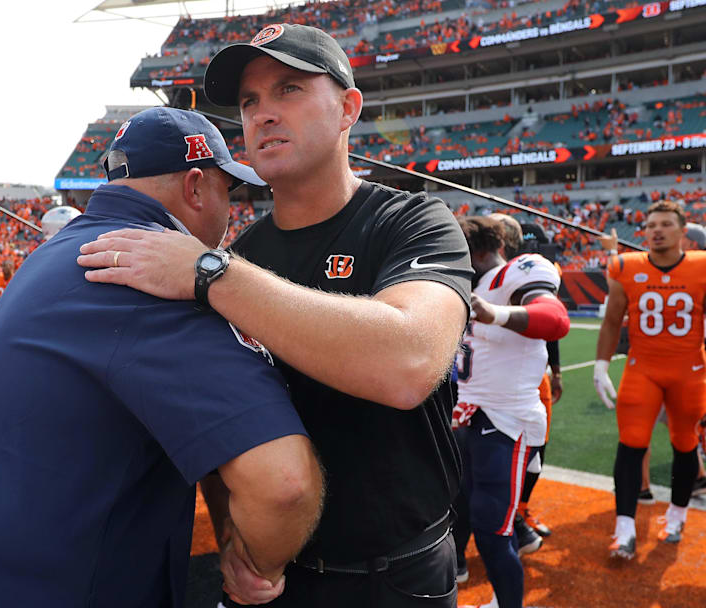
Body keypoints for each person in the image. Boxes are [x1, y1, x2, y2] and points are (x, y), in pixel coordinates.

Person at [0, 106, 323, 608]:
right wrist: (257, 566)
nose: (229, 208)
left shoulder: (49, 253)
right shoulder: (151, 274)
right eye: (225, 190)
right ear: (194, 187)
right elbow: (284, 486)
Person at [77, 23, 472, 607]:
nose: (262, 114)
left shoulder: (413, 222)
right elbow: (211, 425)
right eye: (249, 101)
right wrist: (240, 538)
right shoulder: (238, 258)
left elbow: (408, 361)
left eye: (288, 89)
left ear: (348, 108)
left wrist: (214, 276)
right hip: (277, 575)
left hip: (396, 575)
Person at [452, 216, 569, 608]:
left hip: (504, 419)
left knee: (492, 529)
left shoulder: (519, 271)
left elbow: (556, 320)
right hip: (467, 414)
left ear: (482, 250)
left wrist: (495, 314)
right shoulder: (464, 284)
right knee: (460, 510)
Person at [596, 201, 706, 559]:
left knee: (685, 443)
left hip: (689, 371)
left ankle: (676, 514)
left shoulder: (701, 266)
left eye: (664, 224)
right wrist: (600, 365)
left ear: (682, 232)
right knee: (631, 444)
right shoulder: (625, 266)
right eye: (650, 225)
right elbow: (613, 320)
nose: (656, 230)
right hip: (642, 369)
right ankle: (624, 529)